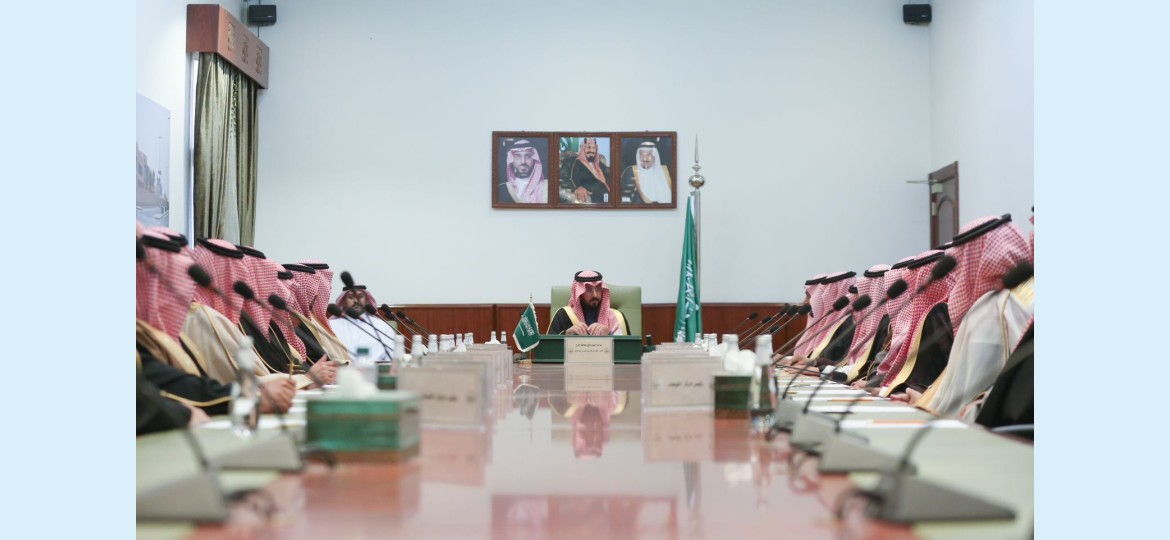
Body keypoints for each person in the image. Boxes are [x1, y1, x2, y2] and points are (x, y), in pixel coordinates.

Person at [914, 215, 1034, 415]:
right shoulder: (1028, 293)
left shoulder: (991, 308)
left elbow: (966, 397)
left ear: (974, 259)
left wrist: (926, 406)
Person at [331, 283, 400, 361]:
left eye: (360, 296)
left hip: (376, 368)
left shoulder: (382, 326)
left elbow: (392, 356)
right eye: (351, 297)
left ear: (367, 300)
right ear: (344, 301)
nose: (356, 301)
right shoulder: (331, 326)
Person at [547, 270, 630, 336]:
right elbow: (549, 348)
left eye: (598, 289)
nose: (595, 295)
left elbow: (628, 349)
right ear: (579, 293)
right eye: (589, 290)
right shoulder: (564, 315)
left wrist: (609, 334)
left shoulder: (616, 317)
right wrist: (566, 335)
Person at [558, 137, 610, 204]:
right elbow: (563, 178)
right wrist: (577, 188)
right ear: (582, 148)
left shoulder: (600, 164)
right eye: (588, 147)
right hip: (586, 200)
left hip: (605, 199)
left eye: (594, 148)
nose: (592, 151)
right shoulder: (571, 161)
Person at [498, 139, 548, 204]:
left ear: (535, 160)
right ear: (512, 160)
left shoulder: (547, 187)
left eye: (528, 156)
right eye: (518, 157)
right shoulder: (502, 189)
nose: (523, 162)